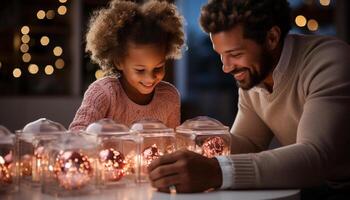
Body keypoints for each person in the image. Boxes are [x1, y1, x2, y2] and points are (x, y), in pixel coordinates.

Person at [148, 0, 350, 197]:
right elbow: (249, 142)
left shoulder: (330, 60)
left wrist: (217, 171)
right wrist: (195, 144)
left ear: (271, 38)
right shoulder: (255, 76)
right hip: (311, 187)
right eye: (221, 55)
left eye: (234, 53)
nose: (226, 67)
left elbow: (315, 157)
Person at [69, 0, 184, 130]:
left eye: (158, 67)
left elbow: (174, 142)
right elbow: (77, 134)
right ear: (119, 61)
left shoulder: (169, 96)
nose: (150, 78)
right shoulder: (104, 93)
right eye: (140, 70)